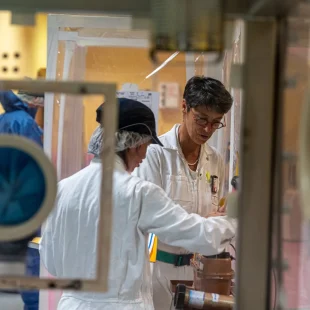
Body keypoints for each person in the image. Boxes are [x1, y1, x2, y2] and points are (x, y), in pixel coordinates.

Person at [39, 98, 237, 310]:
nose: (145, 156)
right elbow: (198, 234)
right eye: (147, 145)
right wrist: (235, 221)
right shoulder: (137, 192)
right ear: (134, 144)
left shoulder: (61, 189)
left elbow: (51, 260)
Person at [133, 76, 234, 309]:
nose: (208, 129)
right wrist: (203, 223)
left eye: (216, 122)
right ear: (184, 107)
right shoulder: (155, 154)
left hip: (200, 271)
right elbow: (150, 219)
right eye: (202, 119)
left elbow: (214, 210)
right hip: (158, 269)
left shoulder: (214, 159)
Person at [0, 89, 44, 310]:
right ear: (35, 100)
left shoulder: (6, 119)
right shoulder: (25, 123)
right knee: (33, 253)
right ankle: (33, 304)